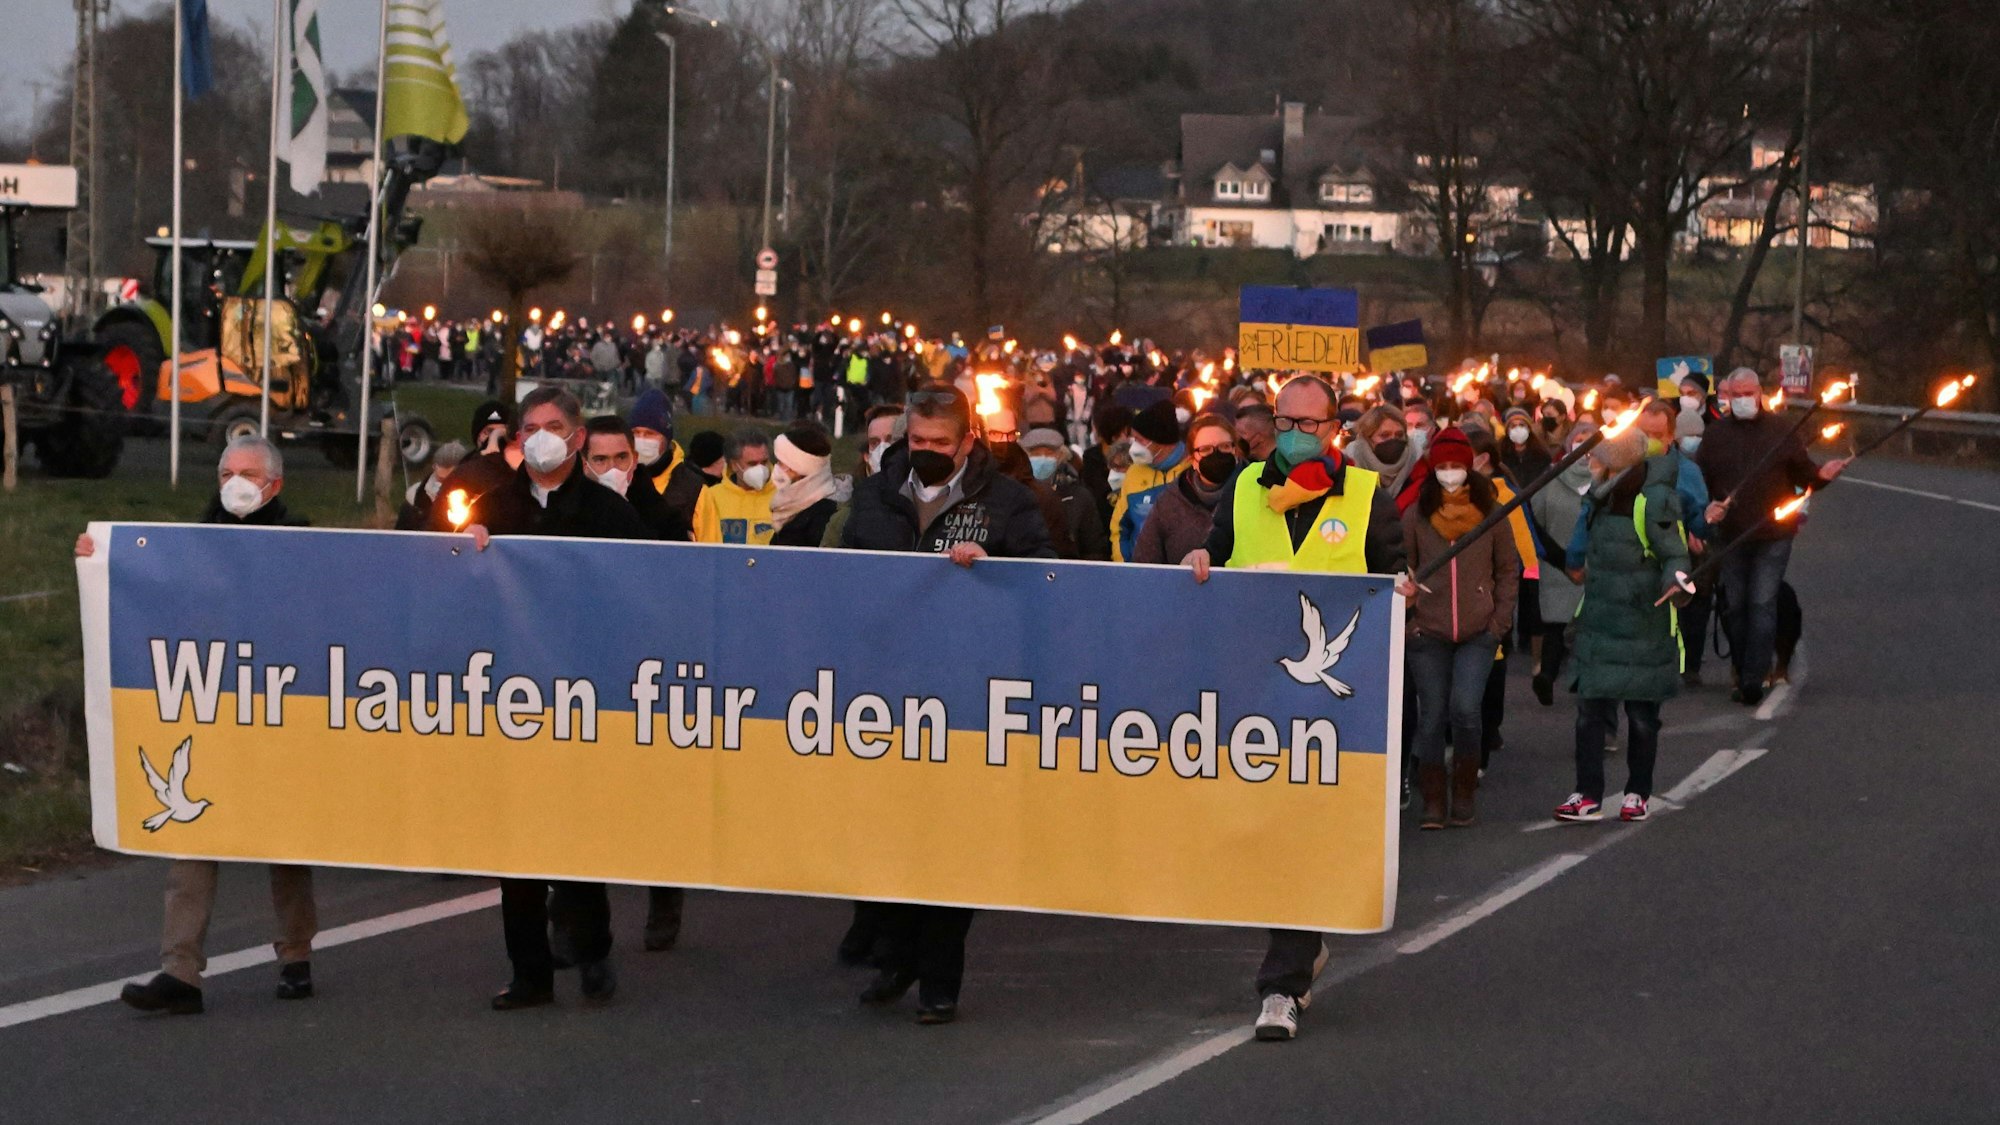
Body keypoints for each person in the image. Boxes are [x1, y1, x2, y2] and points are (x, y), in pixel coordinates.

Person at [1183, 376, 1405, 1043]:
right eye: (1286, 421)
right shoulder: (1244, 490)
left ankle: (1282, 981)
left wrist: (1405, 592)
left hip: (1336, 704)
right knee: (1274, 834)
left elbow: (1392, 579)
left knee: (1309, 833)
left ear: (1337, 427)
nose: (1297, 434)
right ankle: (1294, 958)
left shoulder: (1369, 497)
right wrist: (1199, 558)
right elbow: (1215, 560)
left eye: (1311, 423)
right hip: (1257, 693)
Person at [76, 437, 319, 1015]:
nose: (235, 483)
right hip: (210, 707)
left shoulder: (306, 542)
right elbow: (154, 590)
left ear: (274, 485)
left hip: (276, 710)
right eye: (227, 472)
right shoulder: (190, 541)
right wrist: (101, 559)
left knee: (285, 839)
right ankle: (180, 971)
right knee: (193, 830)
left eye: (249, 473)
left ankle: (297, 956)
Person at [838, 383, 1053, 1024]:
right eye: (916, 442)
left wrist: (994, 568)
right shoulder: (876, 495)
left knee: (953, 835)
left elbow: (1046, 576)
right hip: (888, 686)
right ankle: (897, 954)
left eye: (939, 443)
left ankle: (940, 976)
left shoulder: (1008, 501)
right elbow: (847, 571)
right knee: (891, 829)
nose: (926, 452)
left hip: (969, 688)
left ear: (967, 442)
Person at [459, 387, 652, 1009]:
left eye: (552, 426)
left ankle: (592, 950)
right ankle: (530, 972)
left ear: (575, 437)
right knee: (514, 842)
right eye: (530, 426)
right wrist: (469, 549)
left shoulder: (609, 515)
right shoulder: (492, 506)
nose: (540, 436)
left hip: (581, 695)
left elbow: (635, 600)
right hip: (510, 696)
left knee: (574, 834)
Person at [1554, 426, 1692, 824]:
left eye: (1596, 457)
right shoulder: (1598, 497)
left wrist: (1677, 583)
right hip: (1600, 618)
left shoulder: (1653, 500)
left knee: (1642, 717)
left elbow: (1674, 554)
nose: (1590, 462)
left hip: (1644, 623)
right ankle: (1587, 792)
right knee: (1589, 713)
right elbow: (1579, 550)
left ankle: (1637, 792)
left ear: (1615, 461)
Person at [1693, 368, 1846, 704]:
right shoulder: (1715, 435)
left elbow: (1804, 476)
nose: (1743, 400)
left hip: (1773, 532)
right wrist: (1706, 511)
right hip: (1730, 535)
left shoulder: (1781, 430)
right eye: (1735, 395)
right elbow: (1698, 481)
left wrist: (1822, 475)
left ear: (1759, 393)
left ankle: (1753, 678)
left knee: (1762, 603)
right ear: (1727, 398)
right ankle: (1741, 666)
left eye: (1748, 393)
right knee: (1735, 606)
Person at [1393, 429, 1519, 830]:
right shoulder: (1416, 514)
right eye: (1443, 467)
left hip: (1477, 633)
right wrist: (1411, 619)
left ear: (1469, 467)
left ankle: (1463, 788)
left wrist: (1498, 621)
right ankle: (1433, 796)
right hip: (1426, 634)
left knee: (1465, 710)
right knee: (1431, 716)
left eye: (1456, 466)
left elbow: (1507, 569)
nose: (1450, 473)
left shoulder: (1492, 513)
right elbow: (1403, 567)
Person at [1528, 422, 1598, 704]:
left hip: (1583, 565)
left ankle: (1563, 676)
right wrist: (1556, 557)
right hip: (1560, 565)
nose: (1584, 447)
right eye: (1579, 440)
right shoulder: (1551, 479)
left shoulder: (1604, 480)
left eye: (1590, 440)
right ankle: (1548, 675)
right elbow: (1535, 520)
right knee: (1559, 625)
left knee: (1575, 625)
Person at [1132, 414, 1236, 565]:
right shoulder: (1169, 502)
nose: (1217, 454)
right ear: (1192, 459)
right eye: (1206, 449)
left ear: (1235, 451)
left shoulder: (1256, 492)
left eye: (1225, 446)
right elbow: (1145, 563)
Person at [1110, 400, 1190, 562]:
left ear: (1161, 440)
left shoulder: (1191, 472)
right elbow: (1120, 527)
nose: (1134, 446)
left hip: (1181, 573)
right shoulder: (1134, 473)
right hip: (1137, 573)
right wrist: (1123, 563)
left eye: (1140, 440)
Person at [1023, 427, 1111, 561]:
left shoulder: (1079, 496)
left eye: (1049, 453)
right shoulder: (1014, 492)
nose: (1042, 458)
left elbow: (1094, 547)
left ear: (1061, 456)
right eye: (1035, 454)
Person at [629, 388, 701, 541]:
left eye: (650, 433)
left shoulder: (694, 489)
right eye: (635, 432)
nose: (641, 439)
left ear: (666, 439)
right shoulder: (616, 479)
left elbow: (712, 551)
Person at [692, 428, 777, 545]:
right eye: (752, 464)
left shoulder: (784, 497)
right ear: (734, 464)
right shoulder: (710, 497)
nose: (760, 469)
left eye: (764, 462)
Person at [769, 425, 845, 547]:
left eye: (782, 462)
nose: (777, 468)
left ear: (799, 466)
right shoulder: (790, 509)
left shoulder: (823, 515)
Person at [1344, 405, 1418, 497]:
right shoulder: (1347, 470)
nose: (1393, 440)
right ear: (1368, 439)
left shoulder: (1416, 465)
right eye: (1385, 435)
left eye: (1399, 435)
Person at [1080, 402, 1133, 528]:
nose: (1132, 438)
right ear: (1115, 435)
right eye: (1128, 433)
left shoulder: (1134, 457)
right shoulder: (1091, 460)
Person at [397, 440, 469, 530]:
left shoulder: (477, 502)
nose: (443, 485)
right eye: (440, 479)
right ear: (434, 467)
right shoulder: (415, 501)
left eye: (449, 480)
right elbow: (401, 538)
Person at [1499, 406, 1552, 482]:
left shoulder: (1541, 456)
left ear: (1528, 429)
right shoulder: (1500, 453)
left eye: (1522, 425)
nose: (1517, 429)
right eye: (1513, 426)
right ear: (1507, 431)